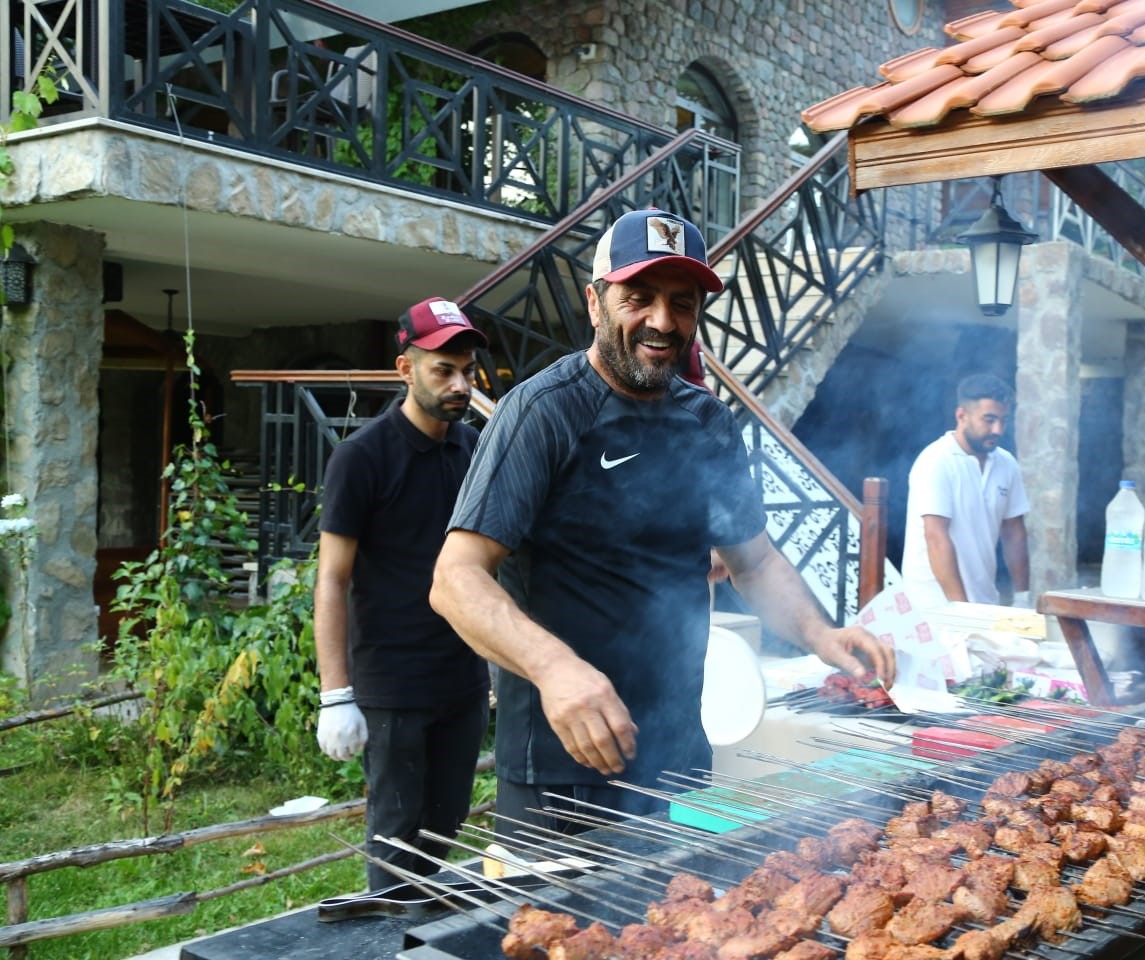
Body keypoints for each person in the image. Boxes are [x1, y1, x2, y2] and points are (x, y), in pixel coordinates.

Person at [430, 208, 895, 839]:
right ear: (596, 303)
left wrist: (821, 634)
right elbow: (456, 579)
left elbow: (753, 561)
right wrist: (555, 669)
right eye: (638, 297)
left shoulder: (708, 423)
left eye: (682, 303)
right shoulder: (542, 412)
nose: (661, 320)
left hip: (678, 756)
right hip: (563, 768)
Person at [313, 297, 491, 890]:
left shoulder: (473, 452)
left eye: (467, 370)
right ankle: (390, 941)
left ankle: (426, 942)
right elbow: (332, 579)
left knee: (446, 827)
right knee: (396, 836)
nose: (460, 384)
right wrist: (335, 694)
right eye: (443, 370)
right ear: (404, 369)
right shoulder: (360, 458)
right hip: (392, 685)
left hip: (462, 679)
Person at [901, 372, 1031, 609]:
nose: (998, 429)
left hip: (984, 601)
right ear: (962, 415)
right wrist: (961, 610)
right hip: (934, 606)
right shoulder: (936, 460)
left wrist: (1022, 596)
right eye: (989, 420)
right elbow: (936, 537)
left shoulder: (1007, 463)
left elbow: (1014, 531)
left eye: (1004, 420)